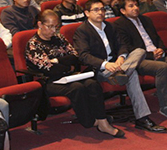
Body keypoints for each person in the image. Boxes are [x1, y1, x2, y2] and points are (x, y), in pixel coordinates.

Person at [25, 10, 124, 138]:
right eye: (50, 26)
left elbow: (75, 56)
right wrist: (66, 65)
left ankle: (102, 121)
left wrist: (57, 61)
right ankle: (89, 121)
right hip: (49, 81)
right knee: (77, 88)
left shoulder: (59, 38)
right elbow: (49, 69)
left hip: (69, 76)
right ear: (39, 24)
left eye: (56, 26)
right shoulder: (33, 45)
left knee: (91, 84)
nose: (53, 30)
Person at [74, 0, 167, 133]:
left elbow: (122, 45)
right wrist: (106, 64)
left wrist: (121, 58)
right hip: (100, 69)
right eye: (96, 10)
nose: (100, 12)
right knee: (133, 74)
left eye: (102, 9)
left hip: (119, 66)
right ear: (87, 13)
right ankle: (142, 118)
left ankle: (121, 73)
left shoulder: (109, 26)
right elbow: (84, 56)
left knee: (139, 51)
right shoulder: (82, 31)